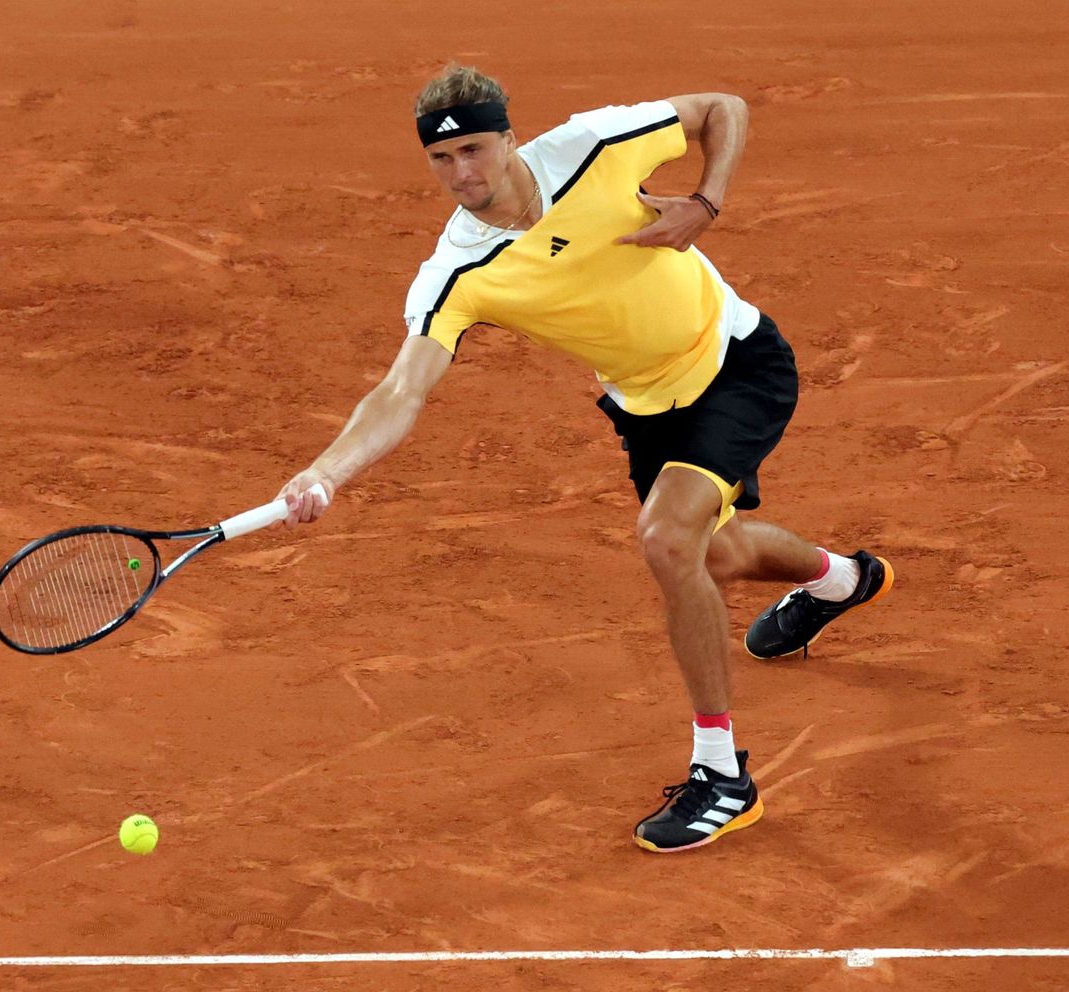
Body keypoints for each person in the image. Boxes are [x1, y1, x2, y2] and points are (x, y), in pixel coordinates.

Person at [274, 65, 893, 853]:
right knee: (719, 553)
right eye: (441, 161)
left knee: (668, 540)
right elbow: (402, 389)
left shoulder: (593, 146)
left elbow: (722, 109)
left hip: (736, 361)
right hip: (646, 403)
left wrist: (705, 204)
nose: (463, 175)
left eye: (473, 149)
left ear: (507, 136)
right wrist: (327, 470)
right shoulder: (458, 272)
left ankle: (722, 777)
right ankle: (841, 579)